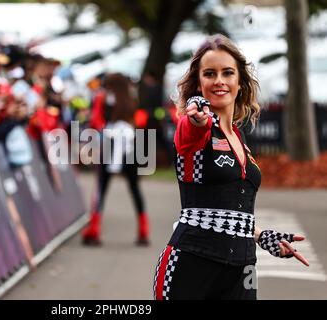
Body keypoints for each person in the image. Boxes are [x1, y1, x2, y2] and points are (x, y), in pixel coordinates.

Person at [153, 34, 310, 300]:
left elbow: (227, 206)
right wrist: (196, 115)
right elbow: (189, 131)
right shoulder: (195, 127)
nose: (219, 81)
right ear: (199, 83)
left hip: (241, 269)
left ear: (240, 82)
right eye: (209, 74)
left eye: (227, 73)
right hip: (192, 265)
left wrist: (261, 236)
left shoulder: (239, 136)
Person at [82, 73, 150, 246]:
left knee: (101, 189)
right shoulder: (131, 99)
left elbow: (95, 121)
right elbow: (140, 121)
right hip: (130, 146)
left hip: (110, 144)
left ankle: (94, 230)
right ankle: (143, 230)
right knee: (135, 189)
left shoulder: (103, 98)